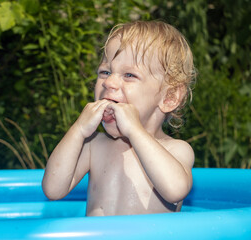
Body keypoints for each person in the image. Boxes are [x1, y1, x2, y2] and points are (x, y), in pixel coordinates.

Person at [42, 20, 196, 216]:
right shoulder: (94, 146)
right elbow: (53, 189)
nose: (109, 82)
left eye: (129, 75)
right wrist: (78, 130)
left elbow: (175, 190)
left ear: (169, 97)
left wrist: (135, 131)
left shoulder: (176, 149)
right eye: (105, 72)